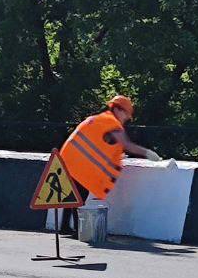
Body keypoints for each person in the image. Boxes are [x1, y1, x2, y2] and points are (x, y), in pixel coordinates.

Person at [58, 96, 161, 236]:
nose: (126, 118)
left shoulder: (98, 119)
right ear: (118, 109)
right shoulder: (112, 123)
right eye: (126, 114)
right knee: (80, 196)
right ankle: (78, 230)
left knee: (74, 193)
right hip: (79, 164)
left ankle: (65, 226)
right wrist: (147, 153)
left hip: (69, 159)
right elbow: (127, 145)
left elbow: (100, 145)